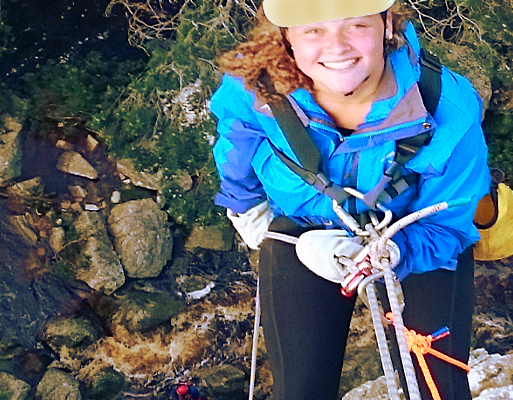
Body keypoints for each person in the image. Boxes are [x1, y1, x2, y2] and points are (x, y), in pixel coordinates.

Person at [209, 0, 490, 398]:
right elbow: (237, 134)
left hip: (418, 237)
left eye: (356, 25)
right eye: (313, 30)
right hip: (305, 232)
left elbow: (448, 225)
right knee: (299, 392)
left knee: (437, 390)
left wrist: (392, 253)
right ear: (286, 37)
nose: (337, 47)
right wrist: (244, 203)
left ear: (387, 25)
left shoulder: (448, 109)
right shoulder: (255, 85)